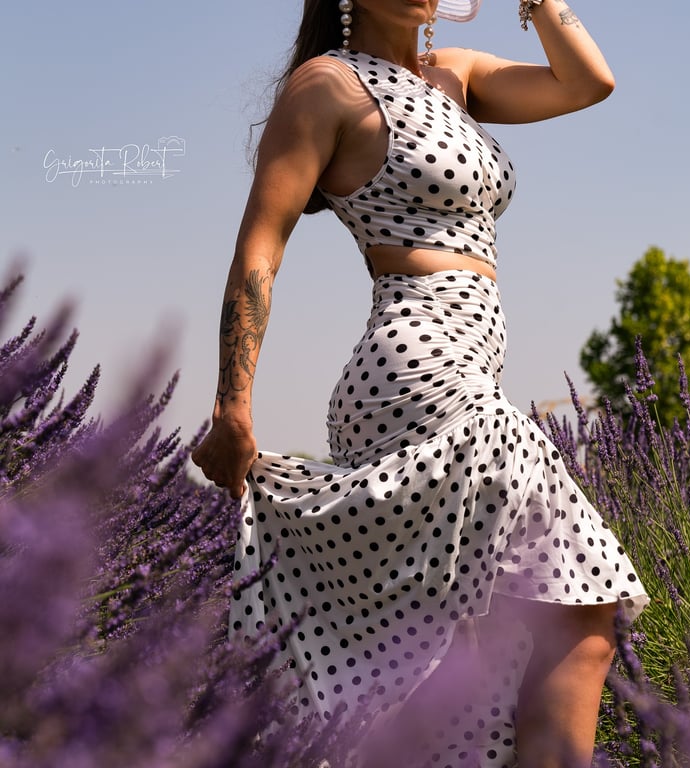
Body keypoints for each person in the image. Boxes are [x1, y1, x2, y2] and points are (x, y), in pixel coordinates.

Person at [192, 1, 649, 766]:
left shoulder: (457, 75)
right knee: (571, 611)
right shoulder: (327, 86)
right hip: (414, 373)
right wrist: (231, 406)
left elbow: (587, 82)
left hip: (472, 368)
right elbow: (259, 250)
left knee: (541, 634)